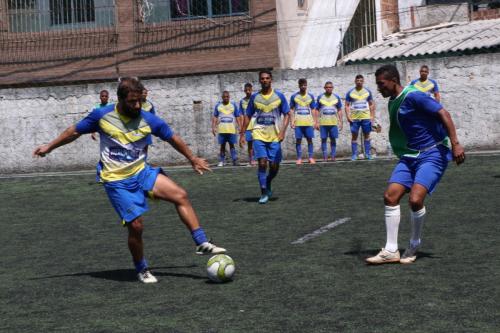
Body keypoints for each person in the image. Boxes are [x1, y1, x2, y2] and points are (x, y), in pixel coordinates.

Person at [33, 77, 226, 283]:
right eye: (132, 102)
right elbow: (74, 131)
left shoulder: (148, 119)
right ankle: (141, 268)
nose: (137, 106)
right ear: (120, 99)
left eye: (139, 101)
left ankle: (201, 242)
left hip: (141, 172)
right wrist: (50, 146)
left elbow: (172, 137)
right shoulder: (102, 116)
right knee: (136, 226)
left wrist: (192, 158)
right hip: (116, 180)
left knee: (180, 195)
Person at [366, 65, 465, 265]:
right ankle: (391, 250)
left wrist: (455, 144)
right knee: (390, 196)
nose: (379, 89)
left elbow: (444, 114)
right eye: (377, 85)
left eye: (381, 84)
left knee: (415, 200)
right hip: (410, 156)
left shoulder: (414, 96)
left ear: (393, 80)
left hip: (433, 153)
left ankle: (413, 244)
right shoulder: (393, 101)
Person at [241, 70, 290, 204]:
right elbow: (248, 115)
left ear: (271, 80)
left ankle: (268, 181)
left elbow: (287, 114)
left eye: (267, 78)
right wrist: (242, 134)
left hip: (275, 136)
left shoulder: (279, 96)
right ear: (259, 81)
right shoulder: (254, 97)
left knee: (274, 166)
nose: (265, 80)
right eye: (262, 78)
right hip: (258, 134)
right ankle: (263, 192)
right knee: (262, 163)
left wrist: (283, 132)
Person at [345, 75, 376, 160]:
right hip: (354, 118)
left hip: (366, 117)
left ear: (363, 81)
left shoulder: (367, 91)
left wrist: (372, 116)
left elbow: (371, 104)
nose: (359, 82)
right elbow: (347, 105)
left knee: (367, 135)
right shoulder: (350, 92)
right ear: (355, 81)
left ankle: (368, 154)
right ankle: (354, 155)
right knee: (354, 136)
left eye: (361, 80)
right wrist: (348, 116)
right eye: (357, 80)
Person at [289, 78, 318, 164]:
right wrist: (292, 121)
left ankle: (311, 158)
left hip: (309, 122)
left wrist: (315, 121)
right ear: (299, 86)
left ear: (307, 85)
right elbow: (291, 109)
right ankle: (299, 158)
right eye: (301, 85)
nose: (303, 87)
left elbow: (313, 109)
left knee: (310, 140)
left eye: (305, 85)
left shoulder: (310, 96)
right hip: (298, 123)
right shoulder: (294, 96)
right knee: (298, 140)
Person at [211, 91, 242, 167]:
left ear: (229, 97)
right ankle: (221, 160)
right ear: (222, 97)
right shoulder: (218, 105)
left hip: (231, 130)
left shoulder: (233, 105)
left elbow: (237, 116)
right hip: (222, 130)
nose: (226, 98)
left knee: (232, 145)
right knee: (222, 146)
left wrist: (240, 126)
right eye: (224, 97)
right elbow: (215, 116)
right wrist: (213, 127)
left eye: (227, 97)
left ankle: (234, 160)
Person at [316, 81, 343, 161]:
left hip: (333, 123)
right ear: (324, 88)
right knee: (323, 139)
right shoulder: (320, 97)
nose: (329, 88)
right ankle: (325, 157)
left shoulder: (336, 97)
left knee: (333, 139)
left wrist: (341, 121)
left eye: (330, 87)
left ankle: (333, 156)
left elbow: (339, 110)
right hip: (323, 123)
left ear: (332, 88)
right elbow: (317, 110)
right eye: (327, 87)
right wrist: (317, 122)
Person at [240, 83, 256, 165]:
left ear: (252, 90)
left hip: (257, 125)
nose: (248, 91)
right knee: (250, 143)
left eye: (249, 90)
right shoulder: (242, 101)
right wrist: (242, 128)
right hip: (248, 125)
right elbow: (242, 115)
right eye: (246, 90)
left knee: (259, 142)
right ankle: (251, 159)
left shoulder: (256, 99)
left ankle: (262, 158)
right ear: (244, 91)